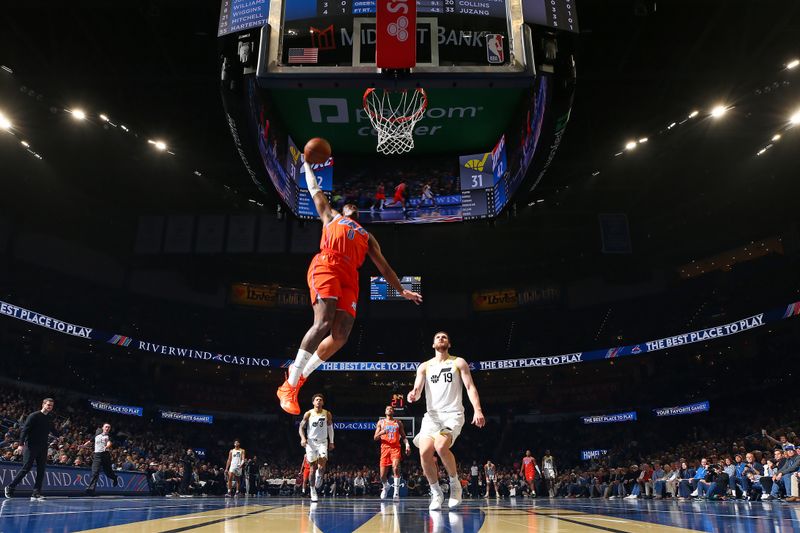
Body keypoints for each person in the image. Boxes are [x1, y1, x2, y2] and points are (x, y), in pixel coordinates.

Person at [277, 162, 422, 415]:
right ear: (342, 209)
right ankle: (289, 386)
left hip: (350, 276)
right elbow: (314, 190)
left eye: (356, 206)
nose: (353, 206)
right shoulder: (331, 216)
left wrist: (402, 291)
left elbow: (385, 268)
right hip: (327, 265)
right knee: (322, 323)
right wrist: (308, 165)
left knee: (341, 335)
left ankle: (300, 375)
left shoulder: (367, 236)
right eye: (349, 204)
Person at [407, 331, 485, 511]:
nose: (441, 339)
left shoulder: (458, 362)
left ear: (449, 344)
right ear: (433, 345)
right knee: (425, 452)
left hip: (453, 414)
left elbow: (470, 387)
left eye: (444, 337)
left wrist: (478, 410)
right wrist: (413, 395)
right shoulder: (424, 367)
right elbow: (417, 389)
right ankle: (436, 492)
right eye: (437, 337)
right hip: (432, 417)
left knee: (441, 446)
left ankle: (455, 484)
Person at [4, 398, 58, 501]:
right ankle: (10, 487)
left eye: (51, 405)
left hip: (43, 447)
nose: (49, 407)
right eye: (48, 405)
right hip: (31, 446)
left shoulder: (50, 418)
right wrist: (20, 445)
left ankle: (36, 493)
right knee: (26, 468)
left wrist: (59, 436)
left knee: (41, 470)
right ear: (43, 405)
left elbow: (53, 431)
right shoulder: (34, 416)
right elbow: (24, 431)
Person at [299, 393, 334, 503]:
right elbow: (301, 427)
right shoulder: (308, 414)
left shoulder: (327, 413)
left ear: (323, 402)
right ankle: (313, 490)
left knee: (322, 464)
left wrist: (332, 441)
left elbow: (330, 428)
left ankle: (320, 475)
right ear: (313, 402)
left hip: (323, 442)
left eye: (320, 400)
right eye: (316, 400)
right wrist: (303, 438)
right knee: (312, 468)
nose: (318, 401)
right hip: (310, 443)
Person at [374, 405, 411, 499]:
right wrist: (381, 432)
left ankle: (396, 492)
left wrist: (407, 445)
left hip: (395, 448)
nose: (389, 410)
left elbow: (404, 437)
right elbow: (375, 438)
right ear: (385, 412)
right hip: (384, 449)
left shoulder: (398, 422)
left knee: (395, 467)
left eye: (391, 409)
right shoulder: (381, 422)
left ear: (393, 412)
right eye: (387, 409)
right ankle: (386, 486)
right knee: (382, 476)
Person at [84, 423, 121, 495]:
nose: (107, 428)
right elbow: (90, 441)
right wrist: (83, 446)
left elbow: (109, 443)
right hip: (97, 455)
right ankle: (91, 489)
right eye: (106, 427)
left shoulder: (109, 436)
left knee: (108, 472)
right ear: (103, 428)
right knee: (95, 472)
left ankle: (114, 478)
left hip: (105, 455)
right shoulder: (97, 435)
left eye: (109, 427)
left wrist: (107, 446)